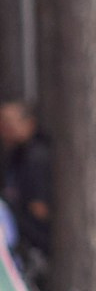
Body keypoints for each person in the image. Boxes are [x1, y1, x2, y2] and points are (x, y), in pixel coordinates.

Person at [0, 98, 52, 263]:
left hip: (33, 244)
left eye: (9, 123)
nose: (4, 129)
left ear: (29, 123)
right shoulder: (15, 155)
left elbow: (40, 209)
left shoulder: (36, 157)